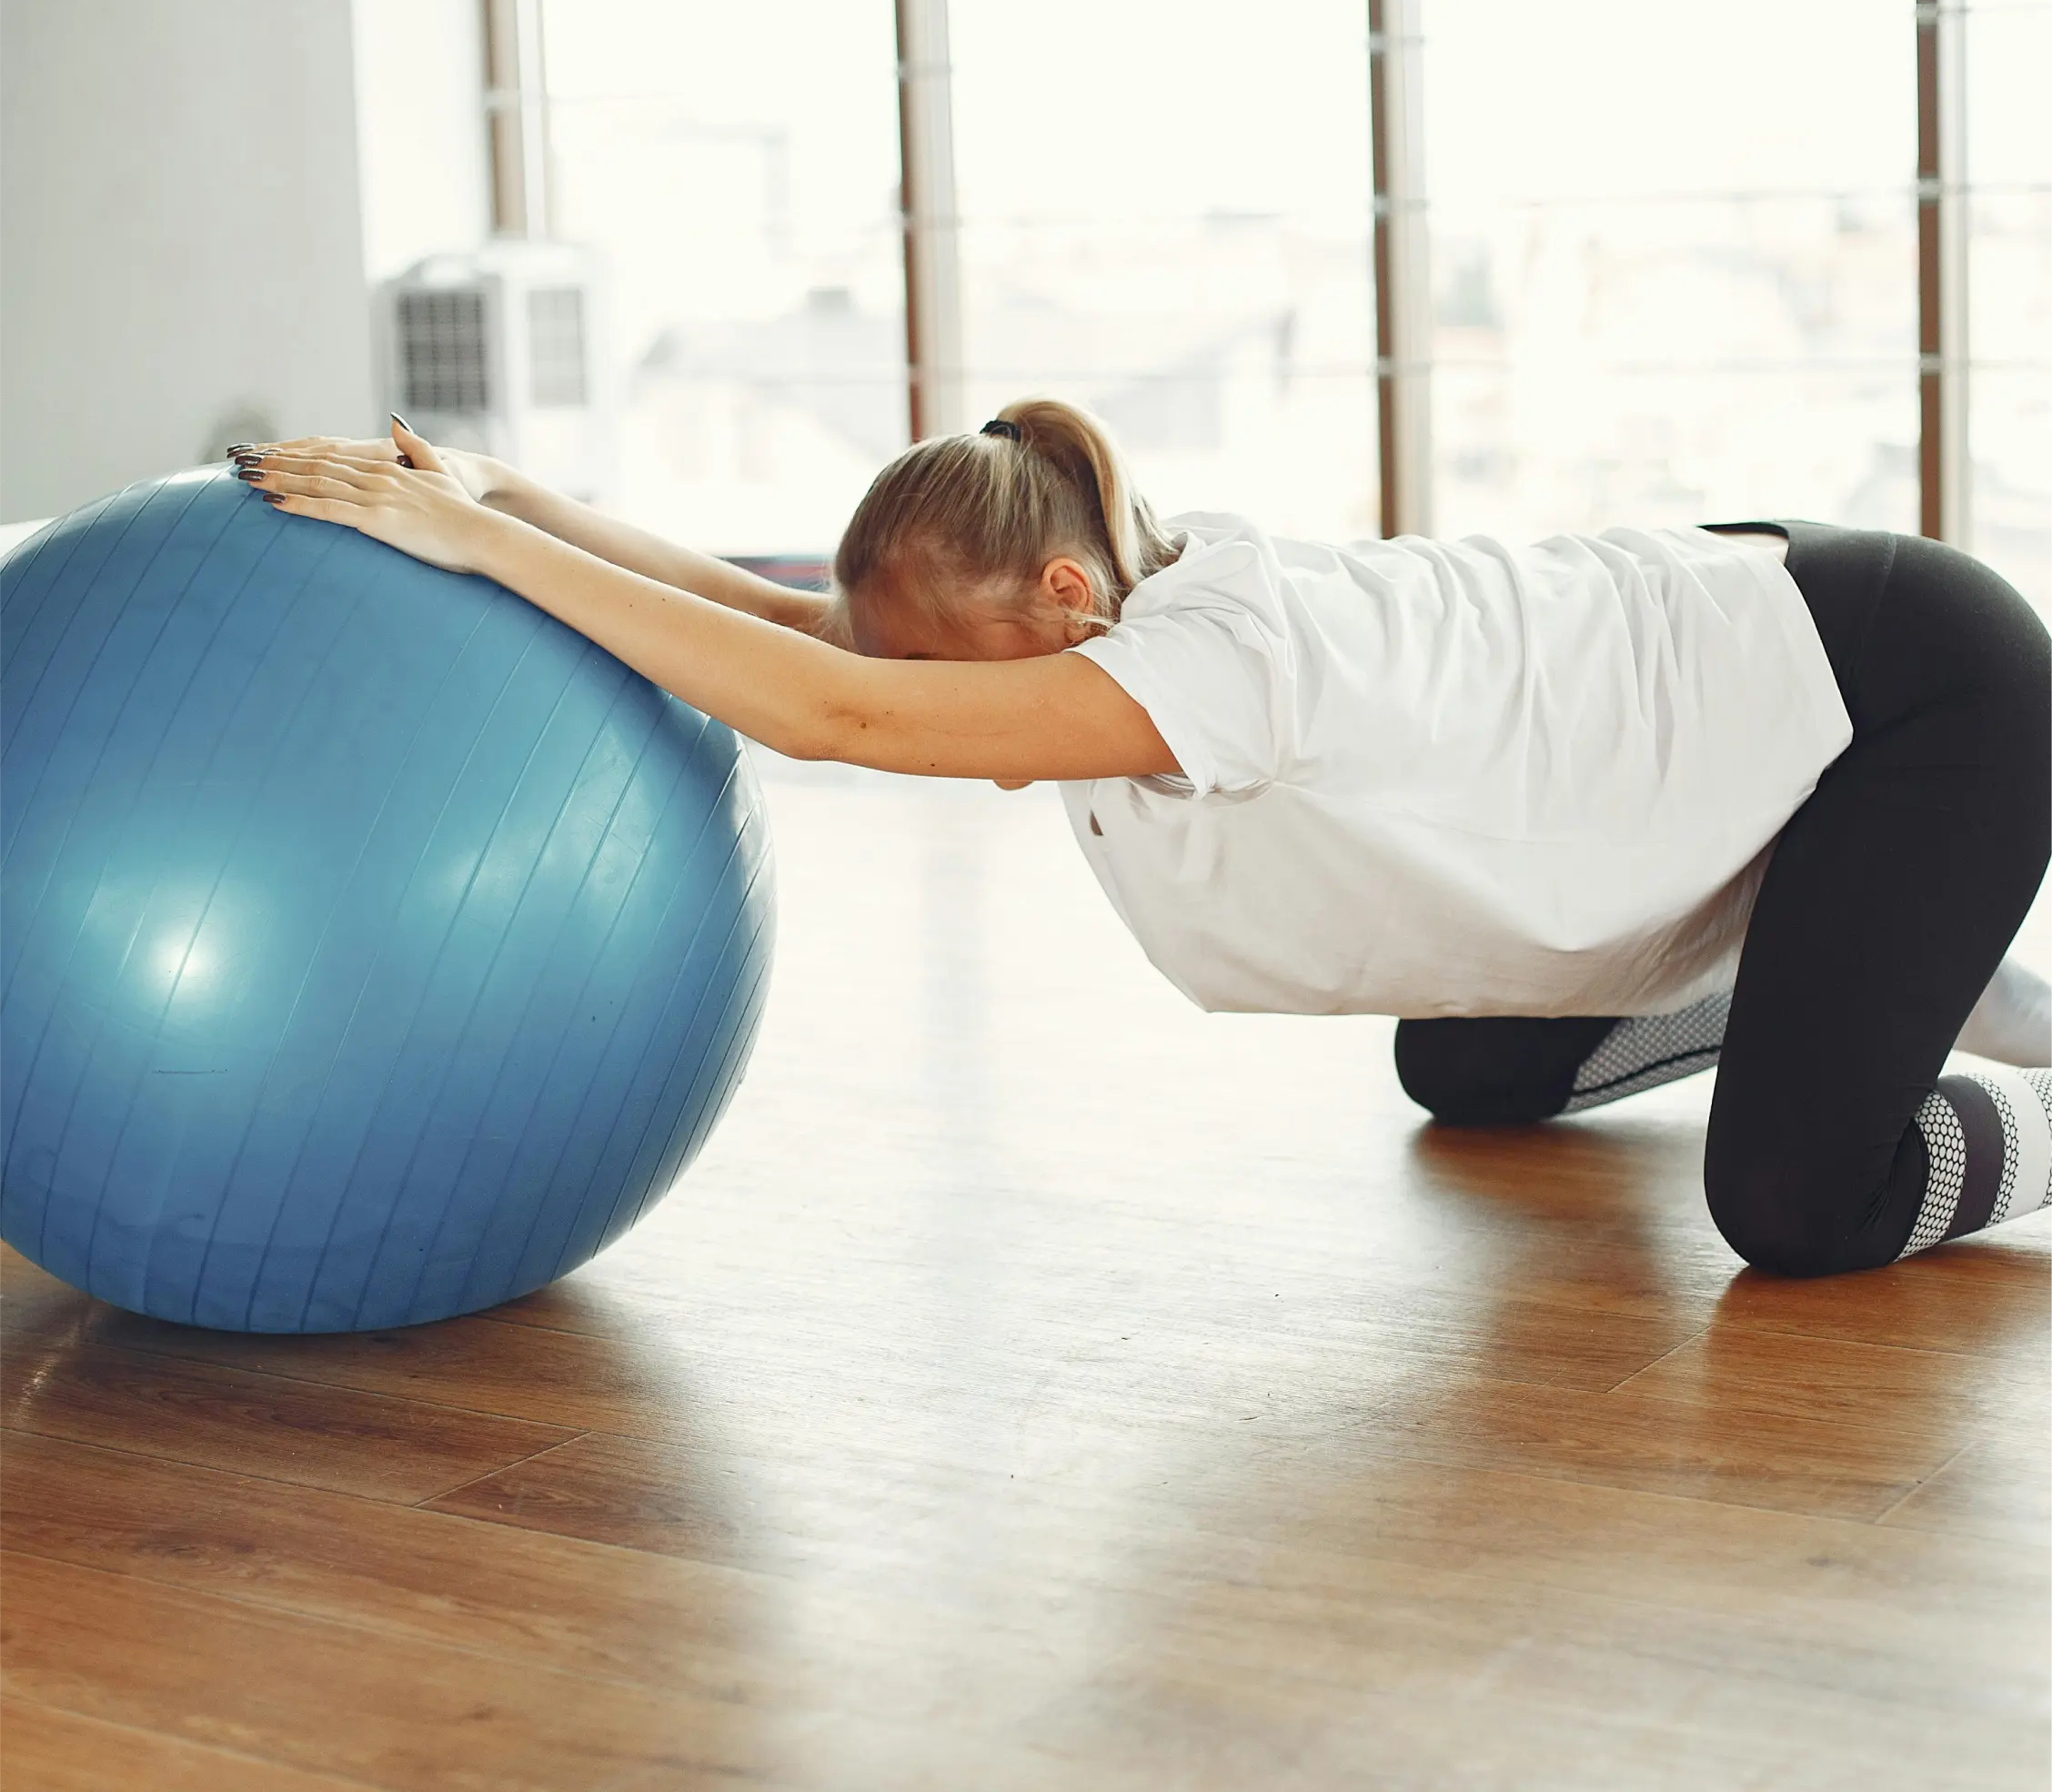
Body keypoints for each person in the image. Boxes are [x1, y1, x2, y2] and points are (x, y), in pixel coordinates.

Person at [231, 399, 2052, 1277]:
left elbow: (837, 714)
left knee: (1799, 1205)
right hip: (1735, 691)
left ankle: (1990, 1071)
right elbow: (795, 636)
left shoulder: (1223, 655)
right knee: (1473, 1065)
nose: (960, 725)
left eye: (962, 672)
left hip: (1911, 696)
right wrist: (500, 492)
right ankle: (1811, 978)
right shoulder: (1100, 599)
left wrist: (478, 553)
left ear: (1068, 589)